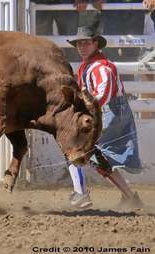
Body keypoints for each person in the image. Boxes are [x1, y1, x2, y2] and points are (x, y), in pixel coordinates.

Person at [66, 26, 142, 208]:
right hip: (111, 111)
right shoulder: (92, 65)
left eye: (86, 43)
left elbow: (104, 94)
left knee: (76, 147)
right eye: (79, 44)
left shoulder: (99, 67)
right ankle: (129, 196)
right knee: (98, 157)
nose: (82, 47)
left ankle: (81, 193)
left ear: (95, 44)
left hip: (109, 112)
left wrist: (87, 109)